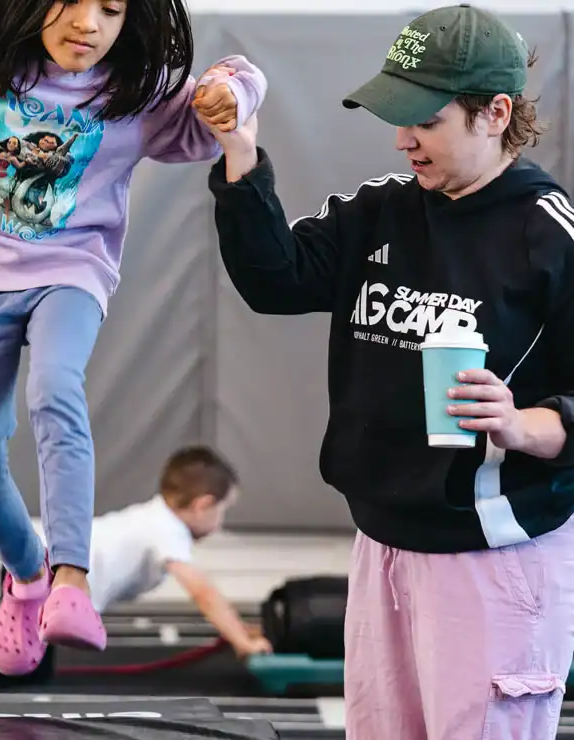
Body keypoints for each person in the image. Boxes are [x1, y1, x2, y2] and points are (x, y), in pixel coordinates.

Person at [0, 0, 268, 676]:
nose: (90, 25)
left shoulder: (133, 88)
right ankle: (28, 578)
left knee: (54, 388)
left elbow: (237, 81)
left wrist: (231, 92)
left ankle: (72, 580)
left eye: (110, 9)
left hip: (69, 273)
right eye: (73, 3)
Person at [201, 4, 574, 738]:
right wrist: (240, 150)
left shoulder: (548, 235)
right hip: (382, 543)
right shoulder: (379, 211)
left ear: (493, 113)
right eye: (395, 117)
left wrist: (525, 425)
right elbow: (273, 281)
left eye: (424, 120)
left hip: (493, 556)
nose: (403, 139)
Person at [0, 446, 273, 689]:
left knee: (20, 656)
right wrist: (241, 641)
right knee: (22, 674)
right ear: (202, 505)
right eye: (221, 512)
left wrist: (241, 631)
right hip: (40, 576)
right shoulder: (168, 532)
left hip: (35, 567)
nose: (219, 523)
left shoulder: (155, 519)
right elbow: (202, 592)